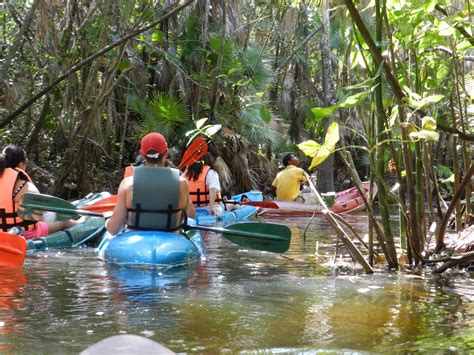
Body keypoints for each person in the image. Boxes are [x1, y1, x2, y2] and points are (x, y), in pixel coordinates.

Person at [106, 132, 195, 235]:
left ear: (142, 155)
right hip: (171, 238)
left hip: (135, 240)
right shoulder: (181, 183)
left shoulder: (127, 184)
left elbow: (113, 230)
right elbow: (191, 214)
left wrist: (108, 219)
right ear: (166, 153)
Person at [0, 144, 77, 239]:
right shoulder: (26, 187)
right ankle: (82, 224)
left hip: (2, 234)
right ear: (21, 164)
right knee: (65, 222)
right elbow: (37, 218)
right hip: (25, 234)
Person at [183, 153, 224, 217]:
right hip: (208, 208)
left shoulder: (186, 173)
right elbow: (213, 189)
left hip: (191, 210)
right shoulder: (211, 173)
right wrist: (212, 207)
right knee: (232, 205)